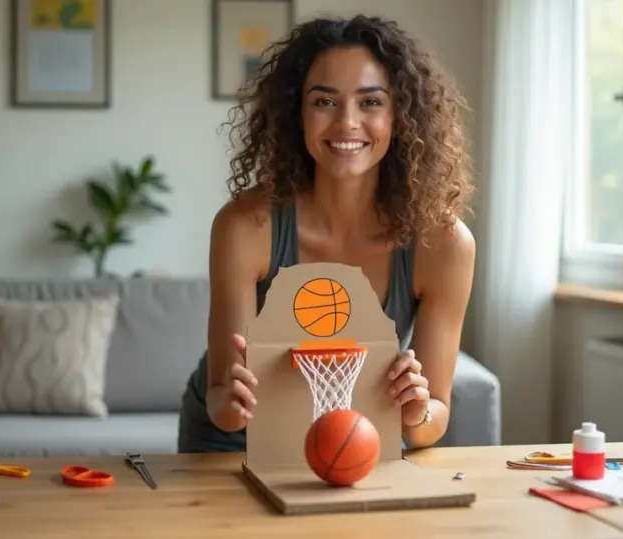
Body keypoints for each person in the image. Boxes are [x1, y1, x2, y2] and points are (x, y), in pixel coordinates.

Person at [178, 14, 475, 453]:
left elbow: (433, 415)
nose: (347, 122)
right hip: (232, 442)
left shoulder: (444, 245)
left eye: (370, 102)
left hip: (355, 440)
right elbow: (221, 398)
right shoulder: (245, 227)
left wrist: (417, 412)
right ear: (297, 114)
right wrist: (234, 406)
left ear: (401, 115)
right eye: (324, 101)